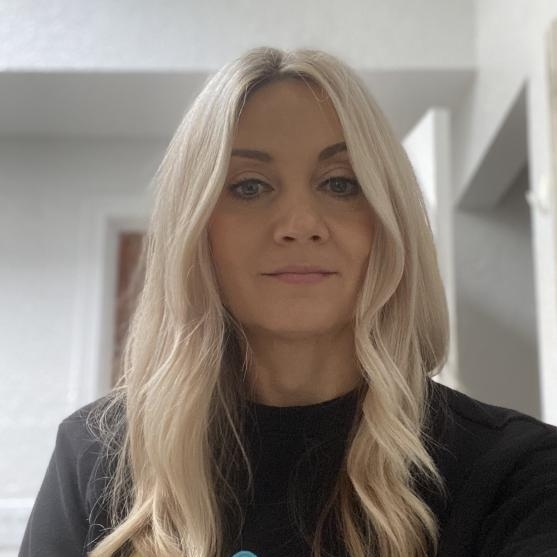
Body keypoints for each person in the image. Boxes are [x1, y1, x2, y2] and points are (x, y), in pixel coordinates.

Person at [19, 46, 557, 557]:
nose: (300, 224)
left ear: (389, 222)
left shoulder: (519, 472)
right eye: (249, 187)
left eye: (340, 184)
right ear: (195, 229)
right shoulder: (93, 456)